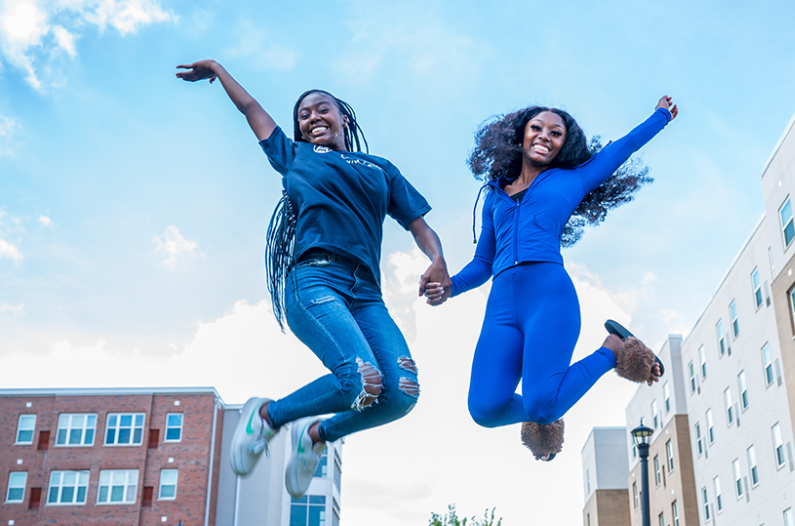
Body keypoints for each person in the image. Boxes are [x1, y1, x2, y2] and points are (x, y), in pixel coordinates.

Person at [177, 60, 451, 496]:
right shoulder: (294, 155)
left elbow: (419, 225)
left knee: (401, 393)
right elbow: (250, 107)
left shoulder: (381, 168)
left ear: (343, 115)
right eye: (303, 116)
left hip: (366, 294)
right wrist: (218, 70)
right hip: (314, 279)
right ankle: (268, 417)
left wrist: (438, 259)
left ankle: (317, 437)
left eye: (321, 109)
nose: (312, 118)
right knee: (359, 379)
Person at [424, 97, 677, 460]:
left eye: (555, 133)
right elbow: (483, 263)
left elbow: (624, 148)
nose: (545, 136)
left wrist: (661, 116)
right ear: (520, 135)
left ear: (564, 144)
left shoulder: (573, 179)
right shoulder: (495, 195)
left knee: (544, 405)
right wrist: (450, 286)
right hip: (501, 308)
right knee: (484, 408)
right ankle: (552, 409)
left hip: (549, 297)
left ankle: (612, 351)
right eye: (536, 128)